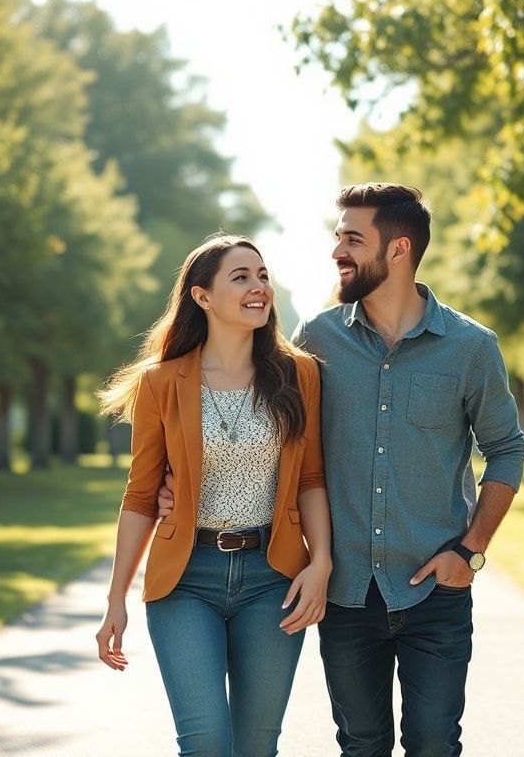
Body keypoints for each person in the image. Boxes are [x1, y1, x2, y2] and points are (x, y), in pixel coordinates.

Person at [160, 184, 524, 756]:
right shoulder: (316, 342)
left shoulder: (471, 347)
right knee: (360, 744)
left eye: (353, 240)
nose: (339, 252)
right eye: (338, 239)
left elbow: (507, 447)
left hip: (435, 590)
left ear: (398, 250)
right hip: (347, 593)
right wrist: (184, 492)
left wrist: (470, 550)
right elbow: (276, 444)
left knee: (434, 743)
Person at [94, 234, 333, 757]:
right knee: (204, 744)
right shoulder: (161, 383)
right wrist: (116, 598)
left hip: (274, 581)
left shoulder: (299, 374)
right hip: (186, 580)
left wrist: (322, 564)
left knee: (254, 748)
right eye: (241, 277)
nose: (258, 288)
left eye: (263, 276)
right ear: (202, 297)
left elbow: (311, 479)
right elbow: (139, 497)